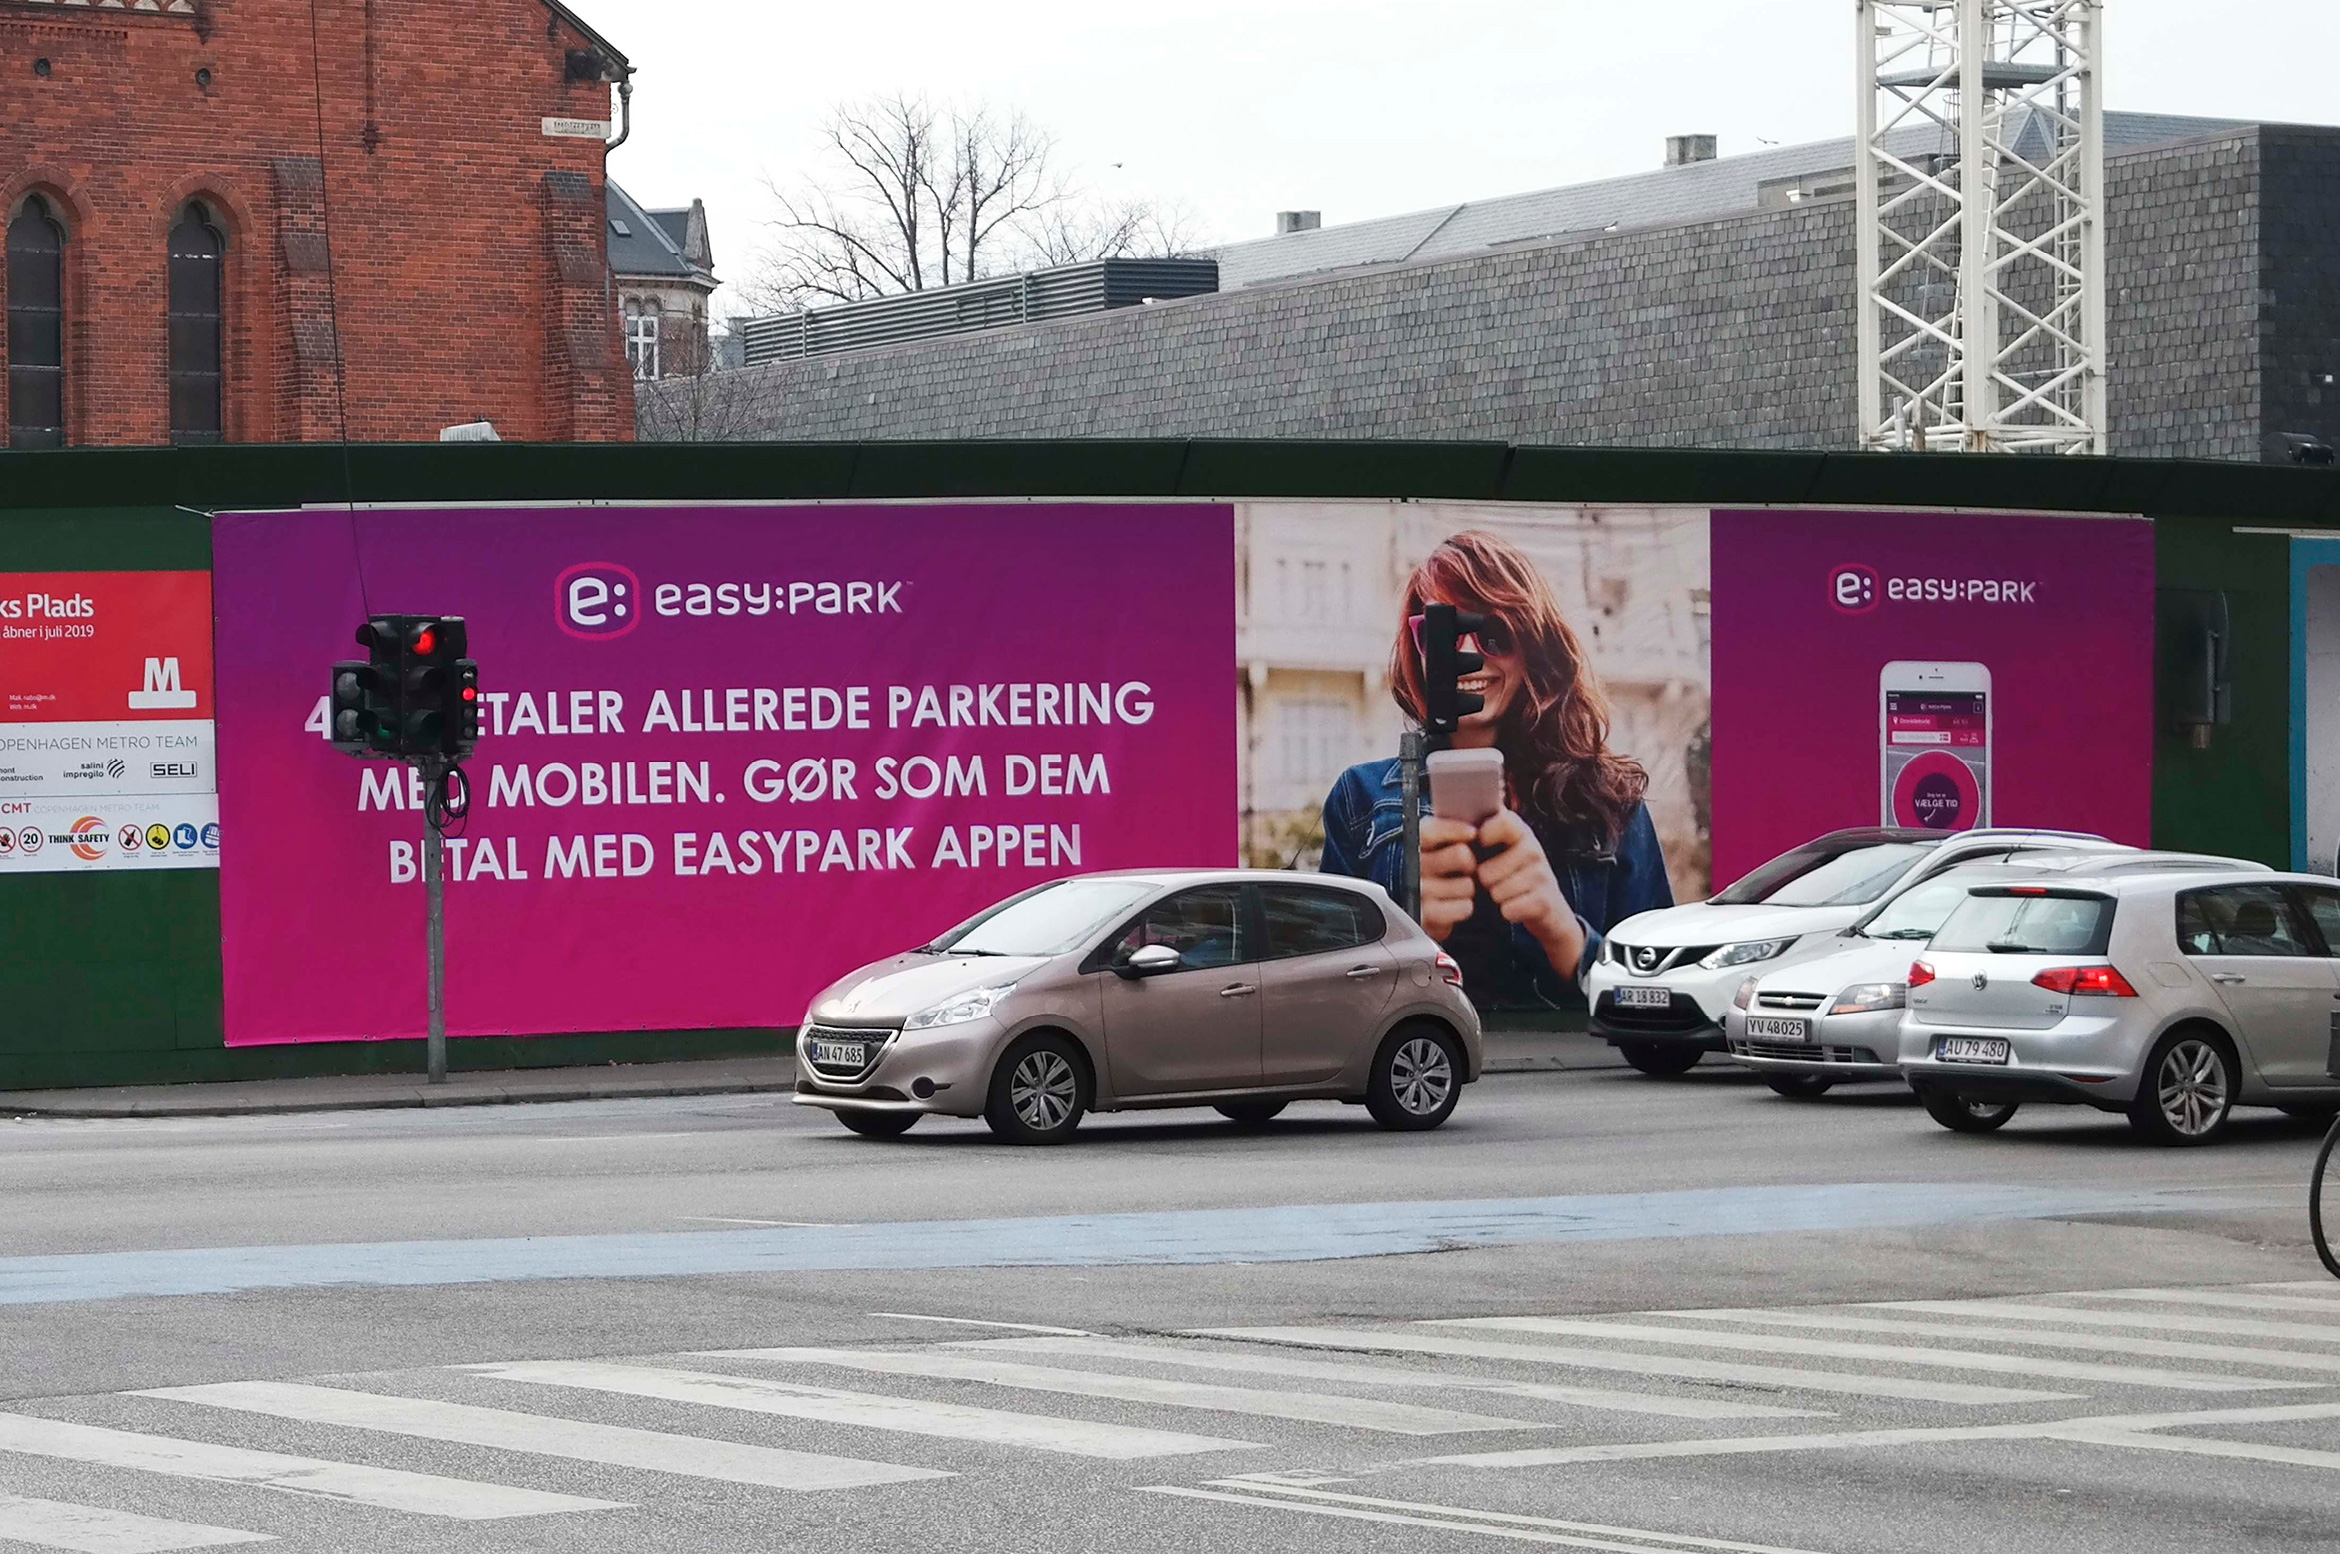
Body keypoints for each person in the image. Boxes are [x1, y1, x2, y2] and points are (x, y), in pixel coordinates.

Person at [1319, 530, 1673, 1010]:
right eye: (1440, 633)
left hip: (1581, 1078)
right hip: (1420, 1069)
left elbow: (1661, 996)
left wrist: (1564, 936)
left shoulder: (1612, 799)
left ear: (1530, 642)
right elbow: (1325, 998)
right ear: (1415, 648)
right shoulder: (1360, 800)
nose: (1467, 652)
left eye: (1494, 633)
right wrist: (1408, 935)